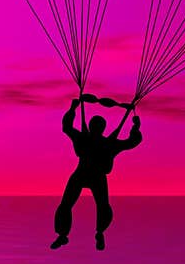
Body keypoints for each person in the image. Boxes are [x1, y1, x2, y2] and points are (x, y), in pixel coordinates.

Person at [51, 94, 142, 251]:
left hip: (81, 173)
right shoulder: (109, 143)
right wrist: (135, 126)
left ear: (91, 126)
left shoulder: (82, 138)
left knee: (67, 204)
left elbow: (66, 126)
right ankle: (99, 232)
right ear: (102, 128)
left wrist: (73, 109)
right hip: (96, 177)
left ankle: (63, 234)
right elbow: (133, 142)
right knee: (102, 206)